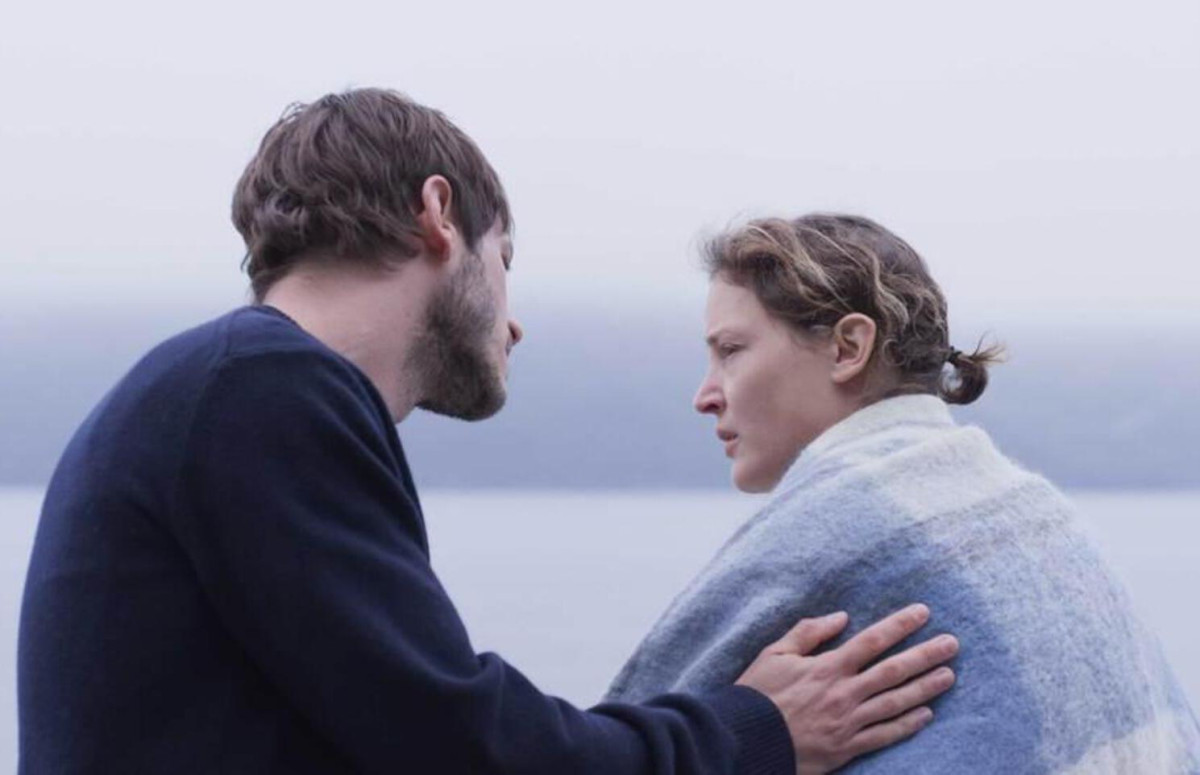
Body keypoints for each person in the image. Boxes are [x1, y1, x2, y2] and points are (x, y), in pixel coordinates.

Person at [17, 91, 961, 775]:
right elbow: (459, 742)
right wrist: (755, 731)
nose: (512, 323)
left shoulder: (233, 391)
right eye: (504, 259)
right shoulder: (264, 390)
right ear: (438, 215)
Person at [605, 213, 1200, 772]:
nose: (705, 396)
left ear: (847, 348)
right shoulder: (1034, 511)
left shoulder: (836, 526)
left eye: (731, 351)